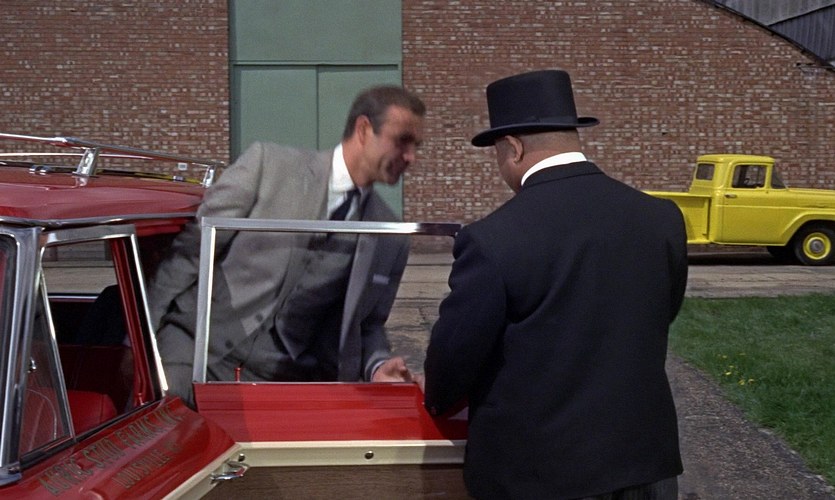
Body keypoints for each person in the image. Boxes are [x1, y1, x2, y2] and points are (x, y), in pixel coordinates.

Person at [422, 70, 688, 499]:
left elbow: (457, 353)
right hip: (643, 462)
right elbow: (663, 311)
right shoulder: (661, 218)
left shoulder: (492, 239)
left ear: (514, 147)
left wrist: (436, 398)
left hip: (541, 473)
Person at [148, 85, 425, 407]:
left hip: (284, 383)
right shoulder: (268, 166)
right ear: (363, 129)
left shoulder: (391, 234)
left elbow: (367, 325)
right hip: (195, 353)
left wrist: (377, 367)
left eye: (416, 146)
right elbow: (188, 256)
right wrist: (139, 342)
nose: (411, 157)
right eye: (402, 141)